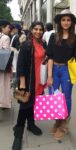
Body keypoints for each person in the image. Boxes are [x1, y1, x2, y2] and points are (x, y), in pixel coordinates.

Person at [46, 9, 76, 140]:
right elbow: (50, 56)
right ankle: (57, 121)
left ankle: (64, 125)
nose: (66, 22)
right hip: (54, 70)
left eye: (68, 20)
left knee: (66, 97)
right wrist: (50, 76)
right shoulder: (53, 36)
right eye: (63, 20)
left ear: (72, 22)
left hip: (67, 70)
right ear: (59, 22)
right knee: (53, 97)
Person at [12, 21, 46, 150]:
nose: (38, 31)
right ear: (31, 30)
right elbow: (20, 65)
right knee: (24, 107)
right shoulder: (27, 45)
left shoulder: (43, 43)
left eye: (40, 29)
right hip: (28, 81)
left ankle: (31, 125)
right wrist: (22, 83)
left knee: (33, 104)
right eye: (36, 29)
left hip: (39, 81)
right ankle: (18, 135)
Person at [0, 19, 12, 110]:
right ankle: (3, 104)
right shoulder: (5, 38)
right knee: (3, 86)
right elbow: (6, 53)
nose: (9, 29)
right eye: (8, 27)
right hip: (2, 66)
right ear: (2, 27)